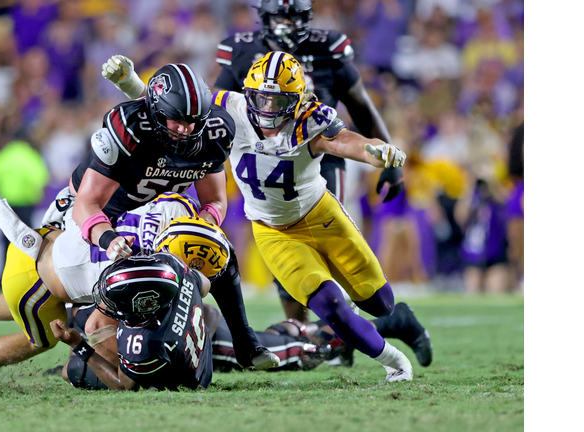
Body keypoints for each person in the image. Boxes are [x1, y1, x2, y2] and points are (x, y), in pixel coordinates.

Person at [101, 51, 414, 381]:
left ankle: (382, 318)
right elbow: (174, 105)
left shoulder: (310, 118)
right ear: (247, 93)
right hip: (274, 231)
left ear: (297, 100)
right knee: (331, 305)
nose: (267, 109)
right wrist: (131, 84)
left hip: (322, 215)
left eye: (277, 101)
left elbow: (348, 141)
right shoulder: (231, 109)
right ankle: (395, 362)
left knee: (380, 303)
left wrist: (375, 152)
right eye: (260, 99)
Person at [48, 61, 278, 370]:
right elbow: (85, 204)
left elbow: (215, 201)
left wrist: (203, 228)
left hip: (156, 212)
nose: (186, 129)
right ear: (156, 115)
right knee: (57, 313)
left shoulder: (215, 132)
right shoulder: (128, 129)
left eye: (194, 121)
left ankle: (245, 341)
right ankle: (85, 359)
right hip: (102, 216)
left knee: (216, 248)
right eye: (177, 120)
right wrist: (109, 239)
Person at [0, 192, 235, 390]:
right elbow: (95, 322)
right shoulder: (140, 277)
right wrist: (86, 345)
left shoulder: (169, 208)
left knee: (63, 303)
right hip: (35, 283)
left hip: (40, 242)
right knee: (43, 339)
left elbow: (82, 195)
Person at [214, 0, 402, 323]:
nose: (286, 23)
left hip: (322, 151)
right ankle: (301, 329)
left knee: (331, 245)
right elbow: (216, 114)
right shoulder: (243, 51)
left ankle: (340, 330)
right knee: (284, 247)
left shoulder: (327, 47)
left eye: (293, 16)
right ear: (264, 17)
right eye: (280, 16)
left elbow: (361, 106)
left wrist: (390, 161)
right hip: (264, 156)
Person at [55, 299, 432, 390]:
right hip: (213, 346)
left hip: (215, 343)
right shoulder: (100, 313)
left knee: (307, 348)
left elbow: (125, 380)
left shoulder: (109, 305)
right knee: (294, 338)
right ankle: (383, 325)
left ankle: (392, 320)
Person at [50, 252, 213, 391]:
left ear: (142, 306)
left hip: (184, 377)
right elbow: (205, 284)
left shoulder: (143, 344)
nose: (108, 301)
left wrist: (79, 346)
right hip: (196, 350)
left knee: (71, 369)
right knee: (95, 323)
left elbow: (123, 384)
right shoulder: (172, 266)